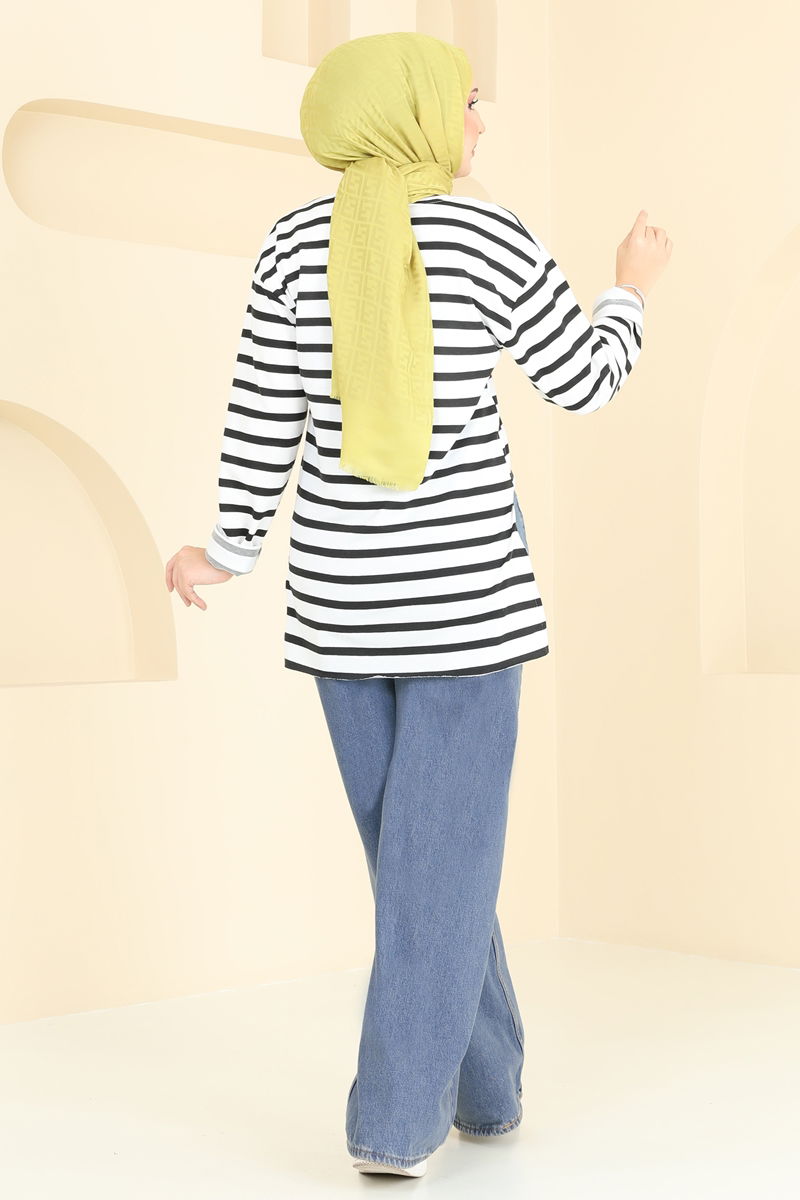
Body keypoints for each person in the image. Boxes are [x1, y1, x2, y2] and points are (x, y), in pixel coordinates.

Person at [166, 31, 671, 1179]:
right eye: (464, 102)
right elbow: (582, 378)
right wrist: (628, 292)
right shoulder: (484, 233)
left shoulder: (290, 247)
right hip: (466, 616)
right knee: (434, 868)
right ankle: (394, 1121)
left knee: (422, 865)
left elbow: (260, 422)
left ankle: (485, 1089)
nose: (478, 123)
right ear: (405, 111)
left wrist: (227, 549)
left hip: (340, 622)